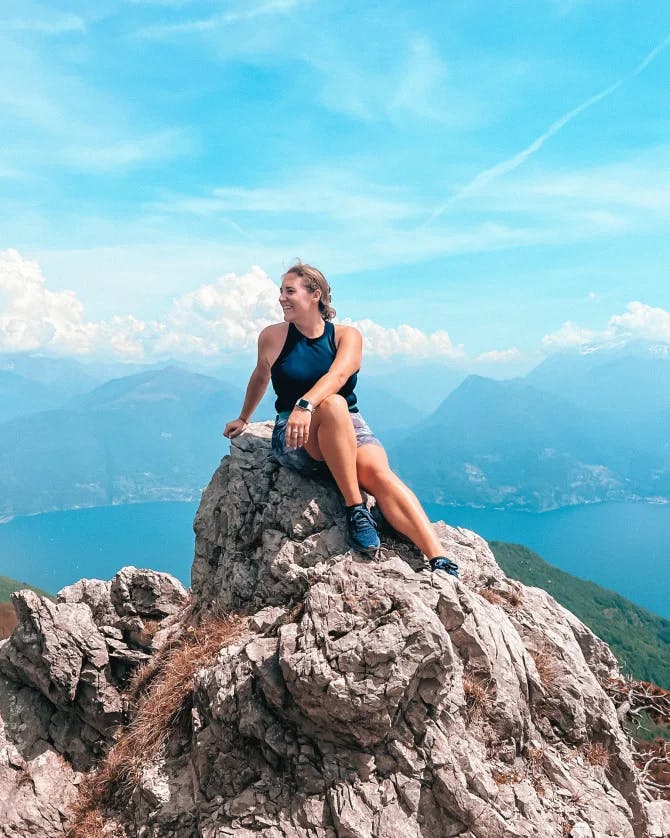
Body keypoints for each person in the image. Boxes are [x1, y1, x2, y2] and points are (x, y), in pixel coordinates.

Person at [223, 262, 458, 577]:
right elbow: (260, 376)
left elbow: (339, 374)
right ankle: (355, 507)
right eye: (281, 291)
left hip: (348, 426)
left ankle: (438, 558)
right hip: (296, 437)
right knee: (333, 405)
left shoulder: (346, 336)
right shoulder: (272, 337)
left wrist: (305, 404)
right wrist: (244, 417)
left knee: (377, 471)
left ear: (315, 294)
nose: (281, 298)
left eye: (289, 291)